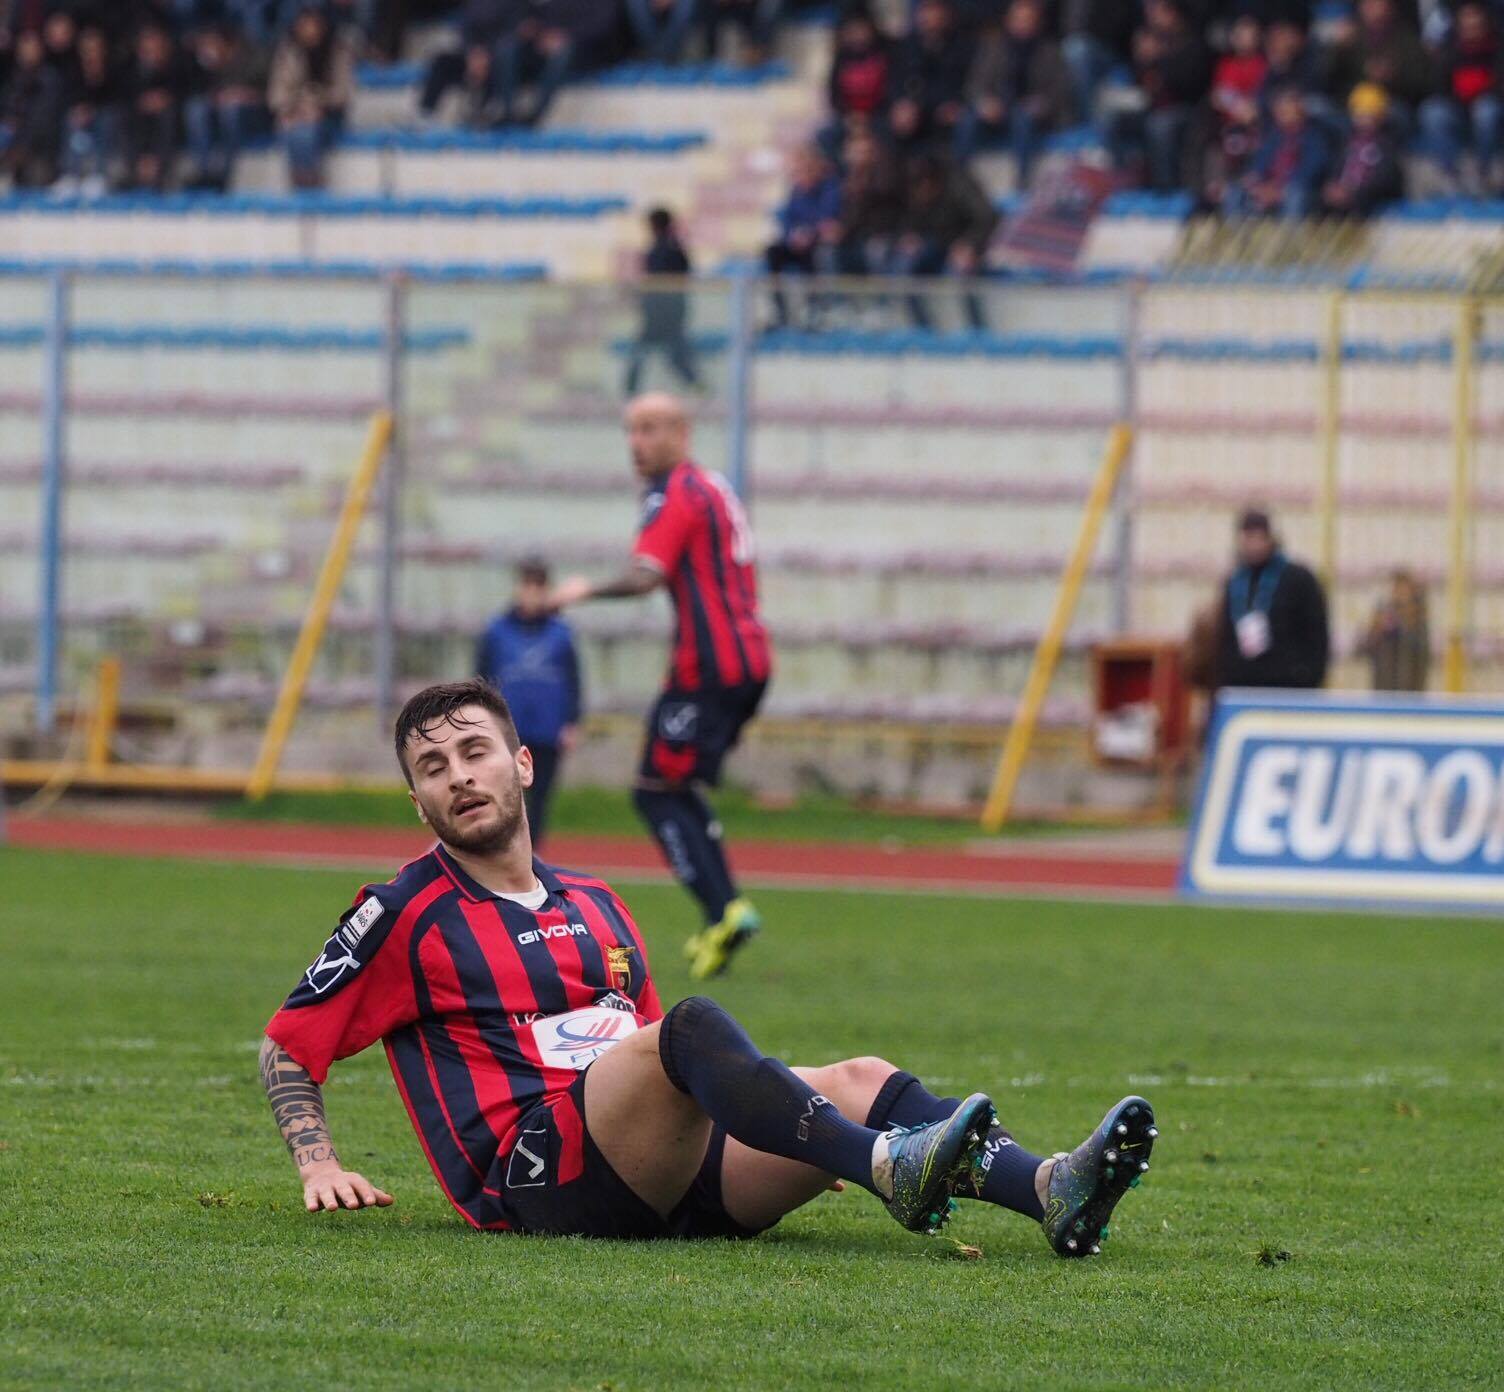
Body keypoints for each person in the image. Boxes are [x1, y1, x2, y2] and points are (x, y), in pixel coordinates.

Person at [258, 678, 1158, 1255]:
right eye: (432, 766)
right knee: (686, 1027)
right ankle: (888, 1167)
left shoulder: (596, 901)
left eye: (475, 751)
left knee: (860, 1076)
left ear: (522, 765)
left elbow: (662, 1069)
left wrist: (778, 1118)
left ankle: (1051, 1190)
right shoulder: (400, 911)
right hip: (537, 1180)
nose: (458, 775)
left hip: (654, 1170)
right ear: (417, 802)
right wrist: (316, 1164)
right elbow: (287, 1046)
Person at [549, 394, 772, 980]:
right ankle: (726, 909)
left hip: (708, 668)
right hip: (749, 661)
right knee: (679, 784)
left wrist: (583, 591)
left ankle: (724, 908)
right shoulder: (712, 486)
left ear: (681, 431)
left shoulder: (676, 493)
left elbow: (648, 576)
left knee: (653, 790)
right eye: (630, 430)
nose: (636, 442)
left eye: (649, 429)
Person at [474, 557, 583, 846]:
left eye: (539, 587)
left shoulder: (561, 633)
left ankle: (531, 855)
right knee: (504, 792)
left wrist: (572, 722)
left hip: (547, 727)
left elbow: (573, 680)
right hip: (508, 728)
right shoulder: (497, 631)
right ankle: (499, 848)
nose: (532, 594)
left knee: (540, 796)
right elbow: (482, 677)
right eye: (527, 586)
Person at [1213, 508, 1330, 692]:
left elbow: (1316, 633)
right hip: (1242, 684)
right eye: (1247, 538)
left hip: (1288, 686)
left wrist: (1309, 677)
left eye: (1258, 538)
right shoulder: (1234, 581)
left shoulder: (1298, 579)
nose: (1253, 545)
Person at [966, 0, 1071, 186]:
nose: (1023, 25)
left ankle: (1021, 183)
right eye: (1019, 20)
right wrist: (985, 103)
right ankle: (962, 175)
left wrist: (1041, 104)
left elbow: (1060, 92)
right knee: (967, 120)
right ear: (1009, 21)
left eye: (1028, 20)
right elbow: (976, 85)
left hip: (1033, 115)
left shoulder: (1050, 51)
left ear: (1038, 22)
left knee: (1022, 119)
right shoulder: (994, 49)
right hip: (998, 111)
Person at [1418, 0, 1503, 195]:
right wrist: (1462, 96)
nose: (1471, 26)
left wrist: (1481, 93)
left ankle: (1484, 172)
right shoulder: (1450, 50)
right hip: (1459, 110)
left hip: (1492, 110)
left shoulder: (1498, 48)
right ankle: (1450, 176)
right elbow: (1439, 87)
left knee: (1486, 111)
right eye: (1467, 22)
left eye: (1476, 22)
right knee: (1432, 112)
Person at [269, 4, 355, 189]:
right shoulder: (288, 51)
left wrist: (314, 104)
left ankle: (311, 183)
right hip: (295, 112)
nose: (308, 29)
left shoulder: (338, 50)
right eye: (303, 24)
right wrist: (295, 109)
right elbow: (277, 94)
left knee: (307, 131)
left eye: (312, 24)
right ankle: (299, 182)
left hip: (329, 114)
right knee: (290, 130)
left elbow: (342, 93)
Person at [623, 206, 703, 397]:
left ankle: (629, 391)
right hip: (669, 311)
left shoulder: (665, 249)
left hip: (662, 312)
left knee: (650, 352)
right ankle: (696, 386)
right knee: (673, 354)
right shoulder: (673, 248)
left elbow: (659, 282)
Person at [184, 23, 270, 192]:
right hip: (217, 113)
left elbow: (269, 93)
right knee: (195, 109)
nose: (208, 49)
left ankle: (224, 173)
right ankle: (204, 170)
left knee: (231, 110)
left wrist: (242, 95)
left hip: (255, 115)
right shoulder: (207, 66)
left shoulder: (255, 58)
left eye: (212, 44)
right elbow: (198, 92)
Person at [1223, 84, 1330, 218]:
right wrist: (1255, 183)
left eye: (1284, 109)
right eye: (1278, 110)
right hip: (1268, 188)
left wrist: (1279, 190)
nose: (1280, 114)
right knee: (1235, 192)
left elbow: (1310, 170)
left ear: (1298, 108)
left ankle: (1290, 238)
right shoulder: (1273, 137)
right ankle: (1235, 236)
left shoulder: (1314, 137)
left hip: (1293, 190)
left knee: (1295, 195)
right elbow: (1259, 166)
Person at [1321, 80, 1404, 216]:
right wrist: (1331, 186)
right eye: (1359, 115)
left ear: (1381, 116)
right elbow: (1335, 167)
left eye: (1369, 115)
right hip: (1342, 195)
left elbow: (1385, 178)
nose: (1364, 120)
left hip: (1367, 200)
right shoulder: (1346, 141)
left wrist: (1353, 193)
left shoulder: (1387, 144)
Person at [1361, 569, 1430, 691]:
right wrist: (1375, 629)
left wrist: (1408, 620)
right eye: (1396, 589)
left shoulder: (1418, 620)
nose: (1399, 594)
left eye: (1403, 590)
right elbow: (1363, 649)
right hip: (1382, 691)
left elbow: (1421, 653)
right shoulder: (1384, 616)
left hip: (1411, 694)